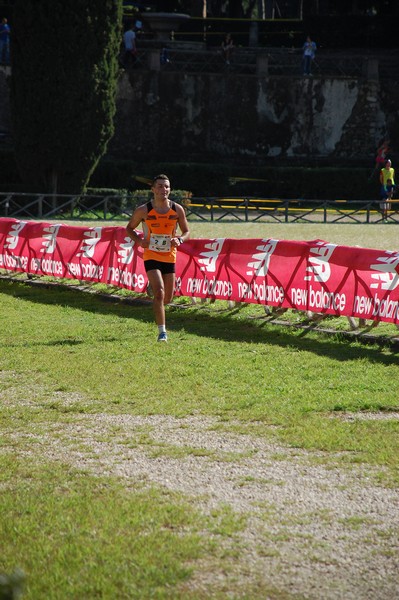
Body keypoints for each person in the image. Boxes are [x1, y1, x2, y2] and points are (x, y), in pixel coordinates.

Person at [126, 174, 190, 343]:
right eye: (160, 186)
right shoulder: (144, 210)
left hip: (169, 256)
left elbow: (186, 231)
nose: (164, 189)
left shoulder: (177, 209)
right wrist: (139, 241)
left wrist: (180, 239)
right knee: (160, 293)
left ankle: (151, 287)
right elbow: (129, 228)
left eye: (167, 186)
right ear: (153, 189)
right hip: (151, 255)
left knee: (168, 298)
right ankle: (162, 332)